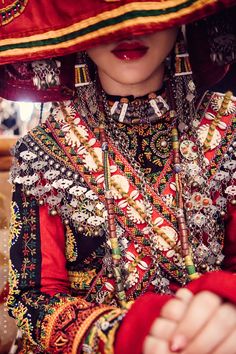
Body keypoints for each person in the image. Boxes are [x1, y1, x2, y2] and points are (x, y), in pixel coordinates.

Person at [5, 1, 236, 353]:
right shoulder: (44, 152)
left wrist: (224, 307)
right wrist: (124, 332)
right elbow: (33, 300)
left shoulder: (227, 131)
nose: (129, 27)